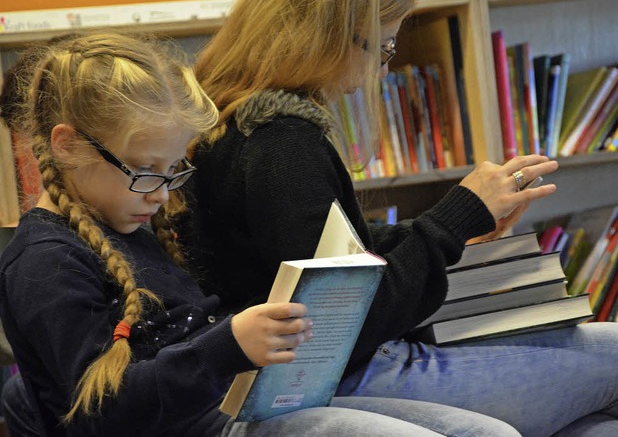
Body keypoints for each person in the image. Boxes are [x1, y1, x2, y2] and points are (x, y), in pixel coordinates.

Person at [180, 0, 618, 436]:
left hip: (324, 369)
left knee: (607, 428)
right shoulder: (281, 146)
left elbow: (331, 250)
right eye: (383, 48)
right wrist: (453, 219)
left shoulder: (233, 123)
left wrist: (462, 224)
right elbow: (351, 320)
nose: (382, 71)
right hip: (343, 374)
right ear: (333, 34)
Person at [0, 31, 525, 437]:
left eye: (172, 171)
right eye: (145, 171)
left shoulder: (128, 217)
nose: (162, 194)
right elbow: (101, 415)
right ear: (67, 146)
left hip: (245, 411)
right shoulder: (45, 263)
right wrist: (227, 346)